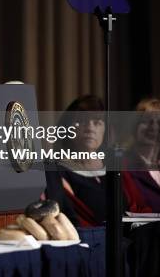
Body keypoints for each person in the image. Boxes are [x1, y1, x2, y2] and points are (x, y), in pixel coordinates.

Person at [44, 95, 108, 227]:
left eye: (97, 123)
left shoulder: (117, 166)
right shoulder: (56, 171)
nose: (90, 128)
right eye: (82, 121)